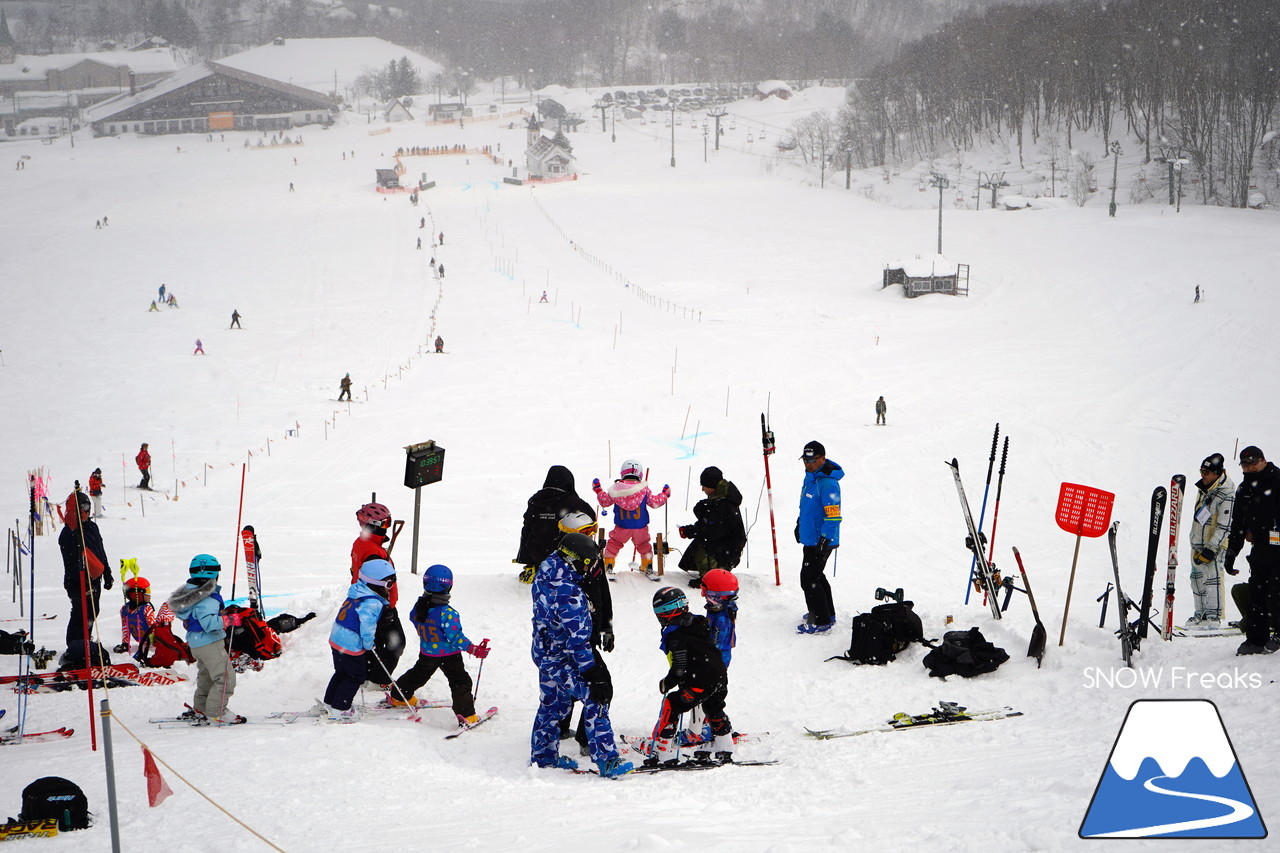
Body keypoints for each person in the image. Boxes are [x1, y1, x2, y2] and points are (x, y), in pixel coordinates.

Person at [529, 532, 632, 777]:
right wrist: (591, 671)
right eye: (587, 564)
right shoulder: (569, 594)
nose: (589, 569)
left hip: (545, 651)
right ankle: (608, 761)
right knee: (596, 699)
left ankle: (543, 757)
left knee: (553, 703)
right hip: (564, 656)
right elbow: (578, 639)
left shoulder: (547, 569)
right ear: (576, 561)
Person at [388, 564, 487, 726]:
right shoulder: (448, 613)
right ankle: (467, 715)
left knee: (418, 674)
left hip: (428, 652)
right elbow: (456, 638)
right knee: (460, 681)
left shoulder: (419, 607)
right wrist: (474, 650)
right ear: (449, 586)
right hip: (449, 655)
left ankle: (399, 696)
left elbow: (414, 618)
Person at [645, 587, 734, 766]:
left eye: (661, 615)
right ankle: (724, 746)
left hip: (701, 680)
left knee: (672, 703)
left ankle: (663, 752)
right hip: (719, 677)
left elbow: (679, 667)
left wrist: (667, 682)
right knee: (712, 705)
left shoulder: (676, 635)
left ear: (669, 612)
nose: (660, 619)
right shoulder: (697, 623)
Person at [553, 512, 614, 755]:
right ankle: (585, 738)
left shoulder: (591, 559)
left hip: (585, 634)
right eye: (585, 533)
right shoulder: (566, 567)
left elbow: (603, 594)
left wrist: (606, 626)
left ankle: (566, 729)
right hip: (570, 640)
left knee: (575, 683)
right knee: (597, 686)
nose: (591, 540)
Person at [318, 558, 395, 722]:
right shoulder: (372, 602)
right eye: (389, 584)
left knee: (342, 673)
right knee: (356, 676)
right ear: (376, 583)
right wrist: (368, 643)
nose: (391, 589)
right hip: (350, 644)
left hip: (337, 639)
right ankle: (341, 708)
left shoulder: (357, 591)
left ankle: (331, 702)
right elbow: (368, 626)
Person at [168, 554, 242, 723]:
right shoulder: (208, 597)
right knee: (225, 678)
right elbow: (208, 623)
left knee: (207, 676)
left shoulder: (192, 595)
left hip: (197, 643)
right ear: (214, 574)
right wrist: (228, 620)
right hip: (209, 643)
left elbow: (196, 617)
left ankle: (201, 708)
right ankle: (217, 712)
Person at [1225, 446, 1280, 655]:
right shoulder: (1244, 489)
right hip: (1260, 551)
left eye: (1253, 462)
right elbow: (1238, 524)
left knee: (1277, 592)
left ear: (1263, 460)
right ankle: (1256, 640)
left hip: (1279, 548)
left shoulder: (1277, 481)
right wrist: (1232, 553)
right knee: (1257, 594)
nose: (1249, 467)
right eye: (1245, 464)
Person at [515, 465, 595, 584]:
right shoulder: (574, 502)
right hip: (563, 556)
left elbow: (527, 523)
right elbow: (591, 517)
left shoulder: (536, 500)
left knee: (528, 529)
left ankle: (531, 565)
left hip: (538, 553)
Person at [796, 440, 843, 634]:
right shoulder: (811, 478)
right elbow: (808, 508)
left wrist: (825, 538)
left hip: (821, 540)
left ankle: (821, 620)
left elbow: (833, 516)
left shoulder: (827, 483)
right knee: (816, 576)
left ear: (822, 458)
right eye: (805, 460)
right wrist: (799, 525)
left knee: (808, 578)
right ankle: (826, 613)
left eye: (813, 460)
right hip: (811, 538)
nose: (808, 464)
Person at [594, 460, 670, 578]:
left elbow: (604, 501)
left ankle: (608, 564)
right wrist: (664, 494)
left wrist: (598, 489)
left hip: (622, 526)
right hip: (640, 527)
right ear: (640, 474)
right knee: (644, 545)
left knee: (614, 544)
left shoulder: (616, 489)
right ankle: (647, 564)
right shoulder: (644, 490)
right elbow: (655, 503)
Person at [1187, 453, 1235, 631]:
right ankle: (1201, 614)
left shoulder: (1227, 495)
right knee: (1196, 579)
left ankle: (1214, 617)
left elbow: (1224, 526)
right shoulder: (1204, 489)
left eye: (1207, 472)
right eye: (1202, 471)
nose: (1203, 476)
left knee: (1213, 580)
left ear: (1217, 473)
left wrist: (1211, 548)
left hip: (1213, 546)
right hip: (1197, 544)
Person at [677, 466, 746, 588]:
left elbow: (711, 531)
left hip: (729, 549)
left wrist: (690, 531)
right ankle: (712, 571)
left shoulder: (724, 504)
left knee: (702, 545)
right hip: (727, 546)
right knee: (700, 542)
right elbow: (708, 522)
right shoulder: (719, 498)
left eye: (704, 485)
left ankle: (711, 577)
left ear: (712, 485)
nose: (702, 489)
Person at [59, 491, 111, 647]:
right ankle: (75, 646)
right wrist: (84, 580)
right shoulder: (69, 534)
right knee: (80, 613)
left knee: (92, 612)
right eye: (83, 507)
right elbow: (71, 563)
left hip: (95, 578)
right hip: (77, 582)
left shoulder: (92, 527)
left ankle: (85, 643)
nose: (87, 511)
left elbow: (100, 551)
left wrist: (107, 572)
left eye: (88, 507)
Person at [114, 575, 173, 655]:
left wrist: (125, 644)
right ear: (137, 594)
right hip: (147, 640)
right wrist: (125, 644)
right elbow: (126, 627)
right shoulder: (128, 610)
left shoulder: (139, 609)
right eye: (147, 591)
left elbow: (151, 627)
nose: (149, 595)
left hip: (149, 640)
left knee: (167, 607)